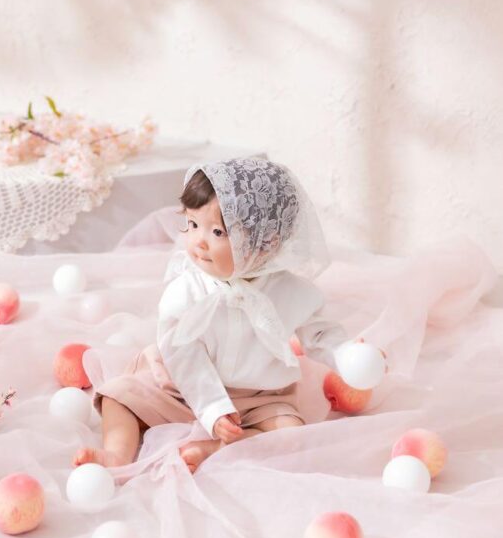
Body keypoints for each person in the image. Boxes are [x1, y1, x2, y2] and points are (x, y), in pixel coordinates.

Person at [73, 157, 353, 474]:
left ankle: (219, 447)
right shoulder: (187, 290)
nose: (199, 242)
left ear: (266, 243)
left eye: (218, 231)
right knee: (118, 397)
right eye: (192, 225)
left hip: (261, 397)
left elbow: (319, 333)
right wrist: (213, 409)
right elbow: (183, 354)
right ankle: (116, 455)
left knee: (292, 437)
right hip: (181, 387)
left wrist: (348, 355)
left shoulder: (289, 291)